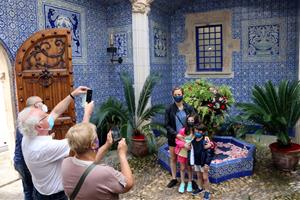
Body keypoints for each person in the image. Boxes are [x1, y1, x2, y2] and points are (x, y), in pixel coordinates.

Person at [17, 86, 89, 200]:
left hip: (39, 192)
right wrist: (87, 113)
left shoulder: (27, 136)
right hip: (56, 197)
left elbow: (55, 112)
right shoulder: (46, 147)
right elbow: (82, 137)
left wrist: (72, 95)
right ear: (40, 126)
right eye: (44, 116)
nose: (48, 115)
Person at [62, 122, 134, 200]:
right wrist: (122, 154)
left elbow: (89, 164)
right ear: (93, 144)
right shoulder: (104, 172)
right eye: (96, 137)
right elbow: (128, 184)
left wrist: (107, 145)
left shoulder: (65, 163)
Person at [14, 96, 46, 200]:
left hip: (20, 160)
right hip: (24, 162)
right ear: (36, 105)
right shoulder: (30, 119)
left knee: (28, 189)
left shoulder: (24, 117)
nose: (44, 105)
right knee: (32, 191)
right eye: (42, 103)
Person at [165, 86, 196, 188]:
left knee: (188, 160)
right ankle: (174, 179)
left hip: (187, 138)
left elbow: (195, 122)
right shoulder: (169, 109)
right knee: (173, 158)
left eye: (179, 94)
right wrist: (176, 134)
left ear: (183, 94)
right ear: (172, 95)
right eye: (175, 95)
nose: (177, 96)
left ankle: (191, 180)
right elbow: (167, 124)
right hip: (174, 137)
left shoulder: (189, 108)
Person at [175, 114, 199, 193]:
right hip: (183, 152)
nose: (190, 122)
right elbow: (177, 140)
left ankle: (189, 182)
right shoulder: (183, 130)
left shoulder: (196, 131)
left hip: (191, 153)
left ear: (195, 121)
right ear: (186, 121)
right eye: (189, 121)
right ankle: (182, 182)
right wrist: (184, 144)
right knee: (182, 168)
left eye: (192, 121)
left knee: (189, 168)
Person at [190, 124, 214, 200]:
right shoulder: (193, 141)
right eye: (196, 131)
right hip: (197, 162)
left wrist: (207, 163)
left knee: (205, 178)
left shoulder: (205, 141)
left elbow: (209, 153)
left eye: (199, 131)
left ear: (203, 132)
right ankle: (200, 188)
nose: (197, 132)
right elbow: (192, 153)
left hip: (203, 163)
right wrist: (192, 163)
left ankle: (207, 191)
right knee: (199, 176)